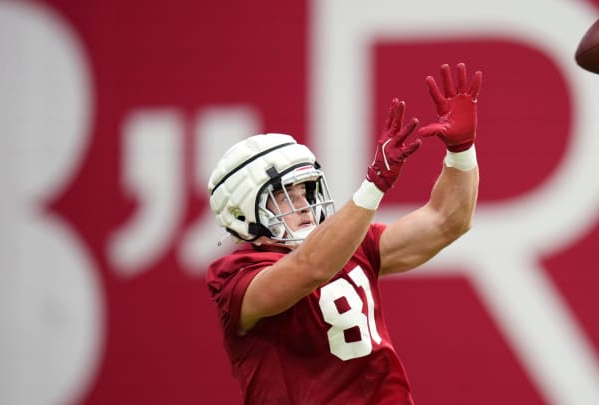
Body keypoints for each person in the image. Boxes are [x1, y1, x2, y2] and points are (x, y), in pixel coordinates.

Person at [206, 62, 482, 404]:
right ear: (243, 211)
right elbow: (310, 269)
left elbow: (447, 220)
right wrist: (373, 186)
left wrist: (461, 152)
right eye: (284, 195)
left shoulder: (350, 245)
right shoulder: (237, 277)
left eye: (306, 191)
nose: (305, 204)